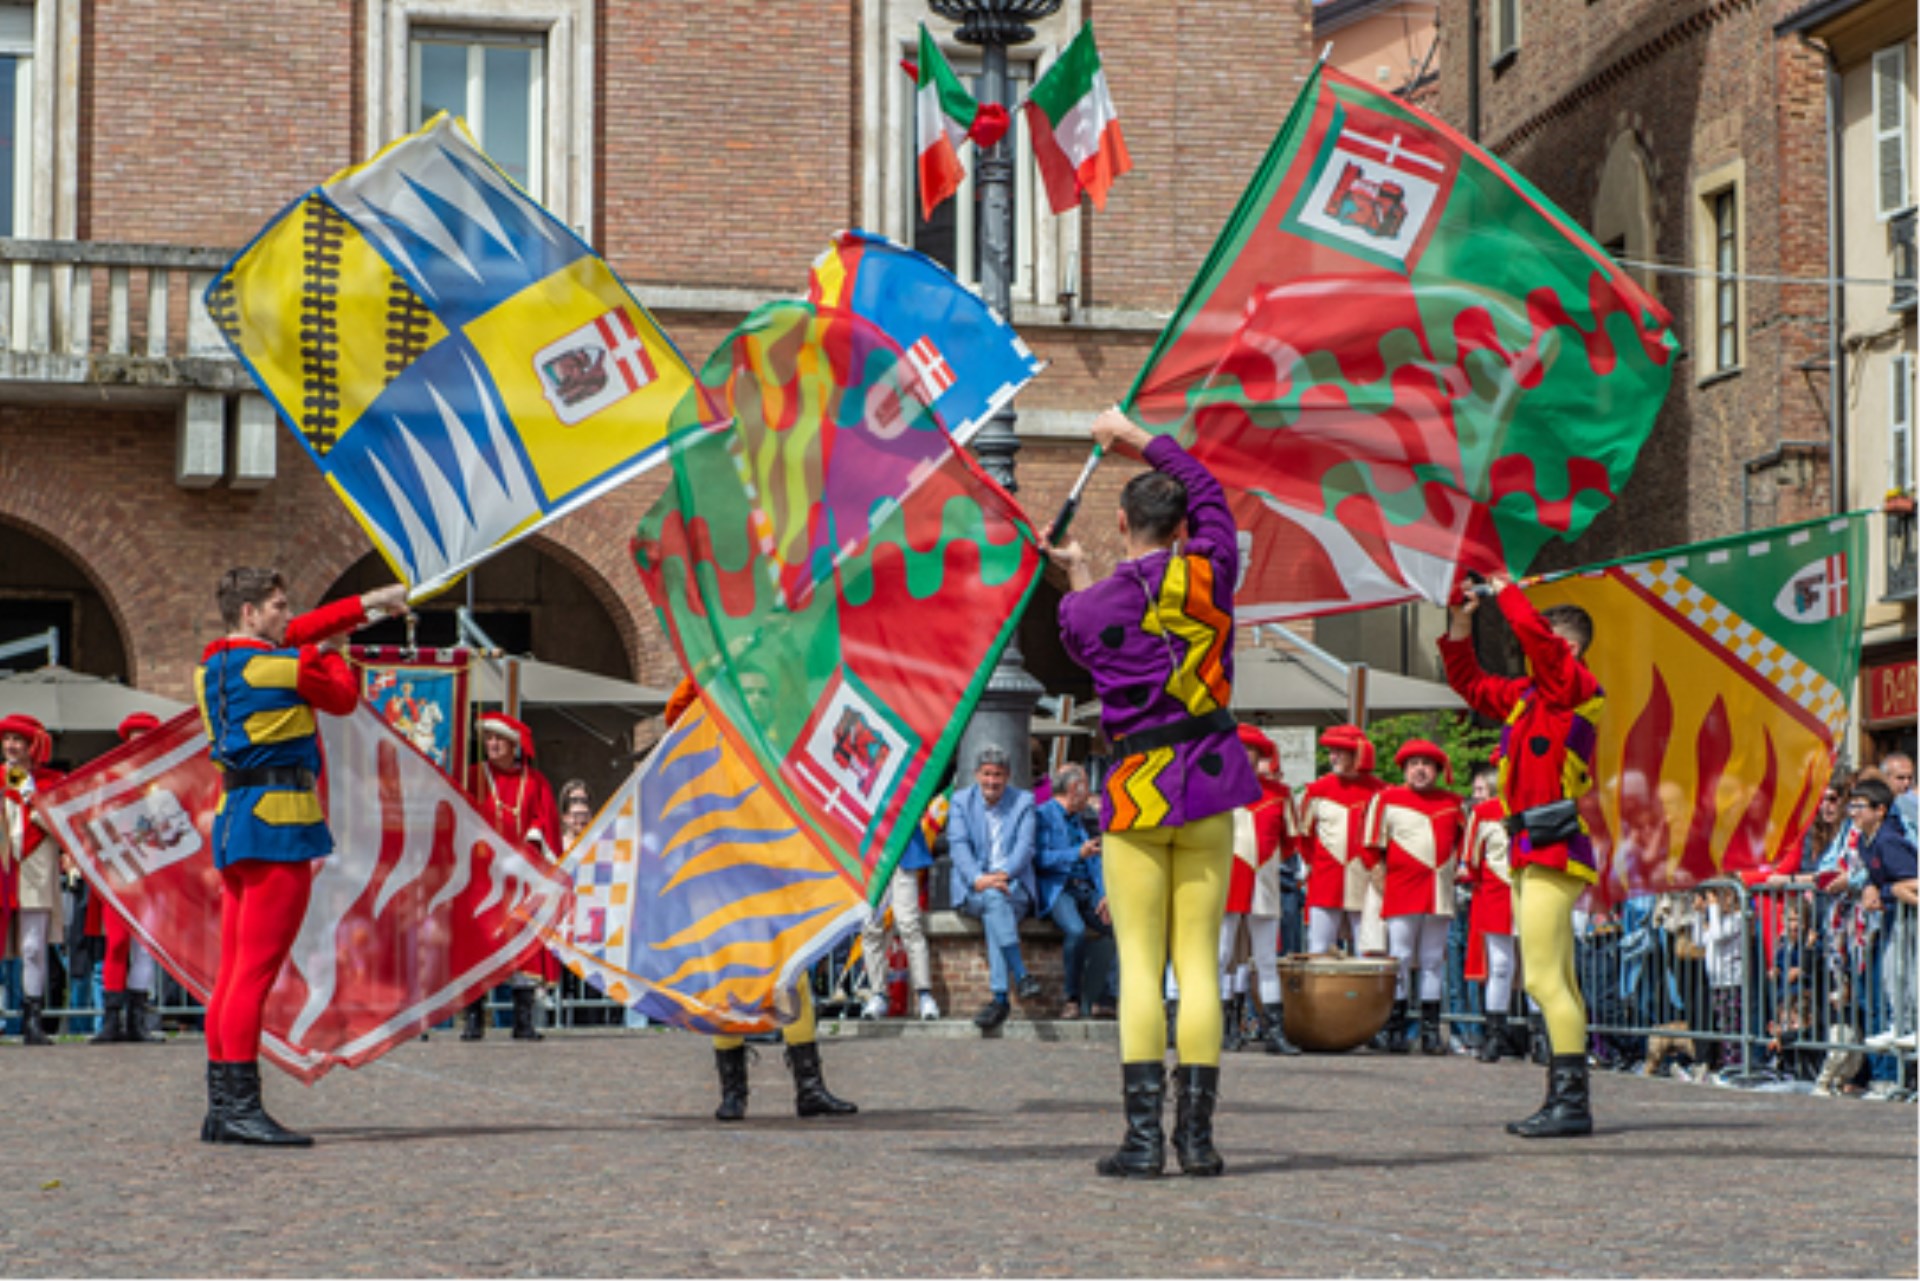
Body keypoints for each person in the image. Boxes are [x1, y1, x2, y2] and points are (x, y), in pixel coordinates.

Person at [1048, 408, 1262, 1179]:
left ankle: (1143, 1142)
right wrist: (1134, 432)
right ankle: (1197, 1141)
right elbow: (1212, 492)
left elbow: (1076, 630)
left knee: (1141, 968)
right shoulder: (1212, 569)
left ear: (1121, 521)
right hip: (1209, 781)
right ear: (1179, 525)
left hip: (1137, 794)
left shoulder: (1093, 605)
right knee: (1197, 967)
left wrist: (1073, 566)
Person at [196, 568, 406, 1145]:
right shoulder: (288, 665)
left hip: (237, 823)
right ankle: (240, 1108)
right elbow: (342, 697)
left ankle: (222, 1107)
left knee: (233, 975)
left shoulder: (214, 665)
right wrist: (330, 653)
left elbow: (297, 634)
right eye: (278, 607)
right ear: (250, 613)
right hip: (280, 825)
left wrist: (369, 604)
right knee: (254, 975)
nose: (287, 616)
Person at [1441, 575, 1604, 1138]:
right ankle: (1568, 1100)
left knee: (1541, 978)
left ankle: (1570, 1101)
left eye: (1546, 641)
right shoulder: (1531, 698)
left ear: (1570, 648)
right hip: (1529, 847)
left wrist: (1507, 590)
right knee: (1555, 977)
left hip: (1555, 847)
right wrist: (1462, 623)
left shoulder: (1574, 685)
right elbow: (1469, 681)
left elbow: (1536, 639)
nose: (1527, 647)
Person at [652, 678, 858, 1123]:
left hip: (773, 871)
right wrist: (713, 661)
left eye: (764, 691)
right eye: (748, 690)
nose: (756, 699)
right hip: (719, 874)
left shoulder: (780, 746)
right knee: (728, 979)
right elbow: (676, 709)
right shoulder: (708, 739)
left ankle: (810, 1086)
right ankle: (734, 1092)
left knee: (791, 975)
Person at [1362, 740, 1466, 1056]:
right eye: (1413, 764)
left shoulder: (1453, 802)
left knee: (1434, 961)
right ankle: (1395, 1028)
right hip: (1402, 889)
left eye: (1426, 764)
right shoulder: (1386, 799)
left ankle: (1431, 1032)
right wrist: (1381, 879)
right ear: (1405, 770)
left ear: (1436, 770)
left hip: (1438, 892)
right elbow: (1369, 846)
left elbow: (1462, 844)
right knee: (1401, 958)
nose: (1420, 769)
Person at [465, 713, 561, 1042]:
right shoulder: (474, 777)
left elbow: (544, 818)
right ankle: (473, 1021)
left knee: (525, 947)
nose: (492, 744)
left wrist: (534, 836)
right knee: (478, 945)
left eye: (498, 739)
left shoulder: (533, 781)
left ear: (513, 745)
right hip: (483, 877)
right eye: (488, 738)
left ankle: (522, 1022)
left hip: (521, 879)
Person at [946, 746, 1042, 1031]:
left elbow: (1025, 848)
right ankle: (1021, 974)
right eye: (987, 774)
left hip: (1013, 886)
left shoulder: (1023, 802)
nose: (991, 781)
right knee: (992, 899)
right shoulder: (962, 801)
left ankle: (1000, 999)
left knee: (994, 906)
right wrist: (979, 879)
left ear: (1008, 776)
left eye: (998, 775)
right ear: (977, 775)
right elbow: (958, 845)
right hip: (973, 886)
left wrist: (1001, 876)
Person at [86, 712, 166, 1043]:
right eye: (133, 737)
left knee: (145, 946)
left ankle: (137, 1019)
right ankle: (111, 1020)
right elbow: (92, 819)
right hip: (118, 871)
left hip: (154, 871)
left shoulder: (165, 777)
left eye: (144, 737)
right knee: (117, 942)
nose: (138, 743)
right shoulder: (109, 779)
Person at [1221, 724, 1299, 1056]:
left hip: (1264, 885)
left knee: (1267, 959)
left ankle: (1274, 1032)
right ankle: (1223, 1028)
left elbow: (1290, 840)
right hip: (1226, 882)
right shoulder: (1216, 789)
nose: (1245, 756)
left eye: (1250, 750)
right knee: (1221, 957)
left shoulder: (1280, 794)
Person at [2, 713, 67, 1045]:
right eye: (7, 739)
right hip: (3, 867)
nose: (11, 746)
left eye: (18, 740)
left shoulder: (51, 782)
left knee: (32, 949)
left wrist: (31, 796)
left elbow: (59, 825)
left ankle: (32, 1020)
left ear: (31, 746)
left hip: (35, 869)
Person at [1032, 763, 1113, 1021]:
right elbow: (1039, 859)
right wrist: (1075, 853)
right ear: (1074, 789)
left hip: (1084, 889)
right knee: (1076, 930)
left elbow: (1094, 862)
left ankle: (1108, 997)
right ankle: (1072, 998)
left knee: (1123, 929)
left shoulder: (1081, 820)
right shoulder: (1042, 816)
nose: (1090, 795)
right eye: (1086, 787)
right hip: (1059, 889)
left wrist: (1103, 894)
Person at [1298, 725, 1384, 956]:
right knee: (1319, 950)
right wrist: (1318, 864)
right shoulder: (1317, 790)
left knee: (1369, 949)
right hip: (1326, 879)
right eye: (1331, 751)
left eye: (1339, 751)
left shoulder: (1380, 792)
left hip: (1367, 881)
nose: (1332, 757)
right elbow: (1303, 837)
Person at [1852, 778, 1918, 1055]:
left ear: (1880, 810)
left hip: (1910, 915)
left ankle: (1913, 1025)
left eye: (1860, 806)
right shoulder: (1865, 842)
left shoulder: (1890, 839)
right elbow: (1877, 876)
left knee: (1912, 972)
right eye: (1851, 806)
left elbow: (1911, 880)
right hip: (1893, 916)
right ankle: (1899, 1024)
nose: (1853, 811)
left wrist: (1886, 889)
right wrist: (1870, 886)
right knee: (1893, 972)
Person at [1461, 766, 1522, 1063]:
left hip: (1529, 892)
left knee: (1536, 966)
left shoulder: (1532, 804)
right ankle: (1496, 1034)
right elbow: (1472, 858)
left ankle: (1540, 1037)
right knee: (1500, 965)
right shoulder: (1484, 812)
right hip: (1497, 894)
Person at [859, 808, 940, 1022]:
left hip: (902, 849)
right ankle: (878, 994)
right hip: (871, 854)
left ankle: (924, 994)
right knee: (870, 929)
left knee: (909, 924)